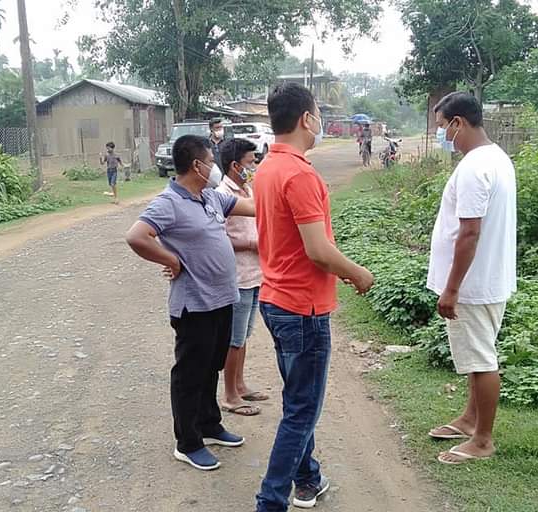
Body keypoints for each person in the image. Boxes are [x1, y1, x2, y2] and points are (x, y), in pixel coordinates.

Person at [254, 82, 375, 511]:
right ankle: (270, 501)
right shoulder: (300, 174)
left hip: (276, 299)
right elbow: (318, 249)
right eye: (318, 115)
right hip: (302, 308)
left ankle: (307, 478)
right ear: (307, 118)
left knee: (296, 399)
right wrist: (358, 273)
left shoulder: (267, 167)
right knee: (301, 412)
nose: (320, 122)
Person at [125, 134, 256, 472]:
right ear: (197, 165)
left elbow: (253, 209)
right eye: (211, 162)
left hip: (223, 298)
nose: (214, 167)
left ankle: (209, 425)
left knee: (211, 365)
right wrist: (170, 260)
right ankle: (188, 442)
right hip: (194, 303)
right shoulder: (168, 202)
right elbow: (136, 236)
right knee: (189, 373)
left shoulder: (211, 197)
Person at [425, 92, 517, 465]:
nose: (442, 134)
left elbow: (469, 233)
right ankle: (469, 419)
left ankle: (482, 440)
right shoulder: (497, 159)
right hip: (488, 278)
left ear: (458, 123)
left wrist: (451, 287)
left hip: (472, 285)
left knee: (481, 360)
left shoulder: (475, 168)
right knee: (479, 355)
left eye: (442, 127)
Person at [215, 138, 269, 417]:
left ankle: (240, 384)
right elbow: (217, 238)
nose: (254, 166)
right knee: (234, 339)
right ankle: (230, 395)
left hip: (254, 273)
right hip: (237, 276)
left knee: (244, 335)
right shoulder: (223, 194)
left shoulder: (247, 189)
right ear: (235, 165)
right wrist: (251, 244)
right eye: (250, 162)